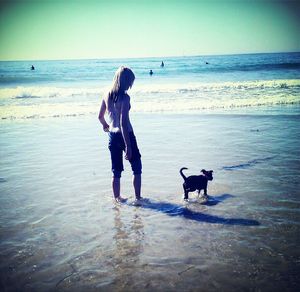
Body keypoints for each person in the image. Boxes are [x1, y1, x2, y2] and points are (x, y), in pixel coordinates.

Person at [98, 66, 143, 204]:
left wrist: (105, 125)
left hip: (112, 135)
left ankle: (117, 199)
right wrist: (128, 146)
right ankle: (138, 198)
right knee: (137, 167)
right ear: (126, 81)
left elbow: (100, 116)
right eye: (130, 82)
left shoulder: (106, 94)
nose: (131, 85)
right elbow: (123, 124)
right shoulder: (125, 98)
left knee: (116, 170)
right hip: (126, 135)